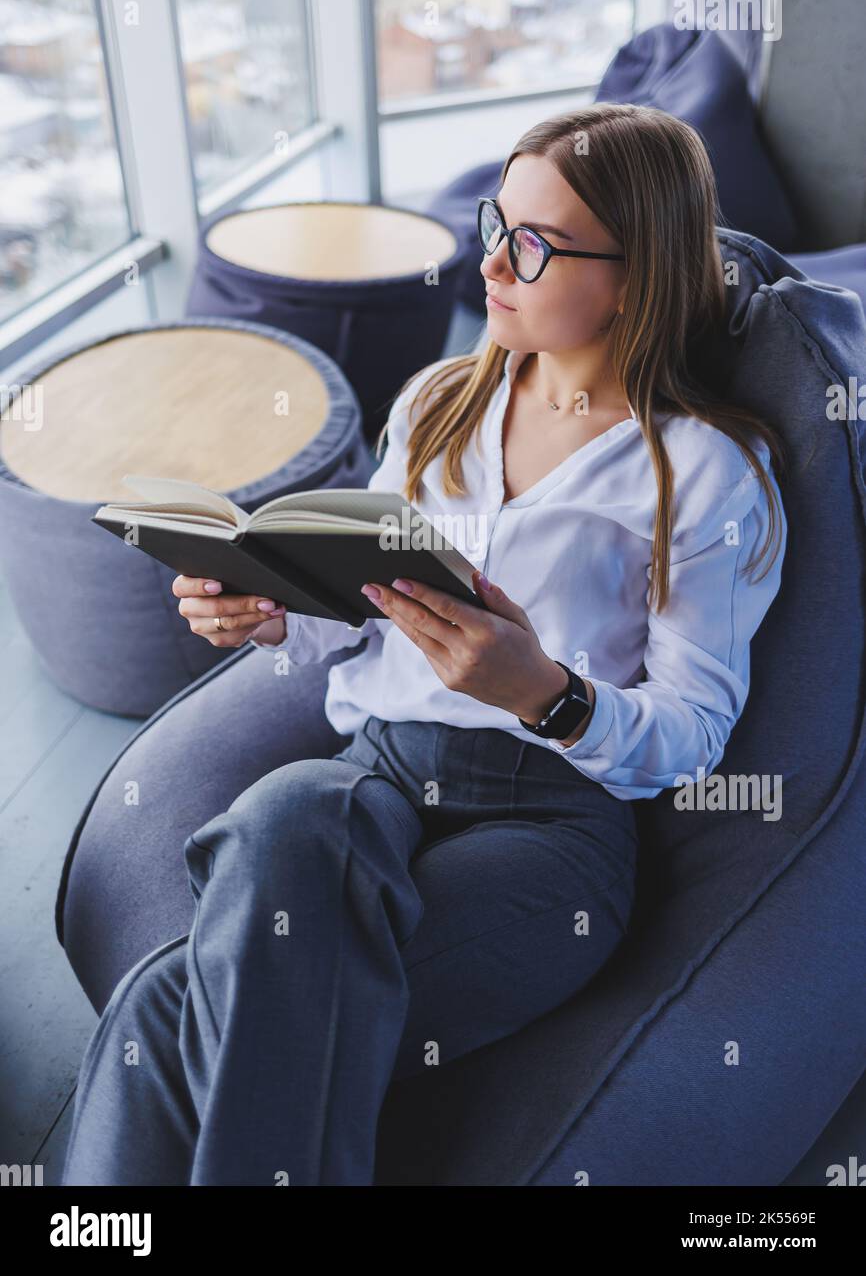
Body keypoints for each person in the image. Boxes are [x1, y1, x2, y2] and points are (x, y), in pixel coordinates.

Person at [61, 102, 787, 1187]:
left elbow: (692, 731)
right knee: (285, 804)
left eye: (532, 244)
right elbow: (358, 609)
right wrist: (271, 614)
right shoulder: (439, 401)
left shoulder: (700, 473)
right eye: (496, 220)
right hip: (376, 775)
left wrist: (541, 691)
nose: (489, 258)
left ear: (634, 277)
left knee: (168, 1006)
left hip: (547, 825)